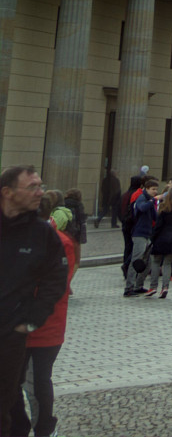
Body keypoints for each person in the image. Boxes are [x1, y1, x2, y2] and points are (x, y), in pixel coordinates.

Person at [0, 166, 68, 437]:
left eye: (41, 186)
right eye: (32, 187)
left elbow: (56, 279)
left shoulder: (42, 233)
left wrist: (30, 320)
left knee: (4, 405)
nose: (40, 192)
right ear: (7, 192)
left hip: (10, 337)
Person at [11, 202, 76, 437]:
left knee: (37, 382)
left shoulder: (57, 241)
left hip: (44, 326)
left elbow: (55, 286)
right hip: (17, 325)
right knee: (13, 383)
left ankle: (44, 429)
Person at [148, 187, 172, 298]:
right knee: (167, 264)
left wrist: (153, 238)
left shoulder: (164, 207)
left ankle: (153, 287)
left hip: (161, 238)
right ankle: (165, 287)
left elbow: (158, 225)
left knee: (156, 262)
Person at [124, 178, 159, 297]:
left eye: (156, 189)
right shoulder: (142, 198)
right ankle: (128, 288)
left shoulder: (149, 200)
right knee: (136, 261)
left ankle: (138, 286)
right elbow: (142, 208)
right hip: (139, 234)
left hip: (148, 234)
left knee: (147, 262)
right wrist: (152, 201)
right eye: (153, 189)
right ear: (146, 189)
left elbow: (155, 217)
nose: (155, 191)